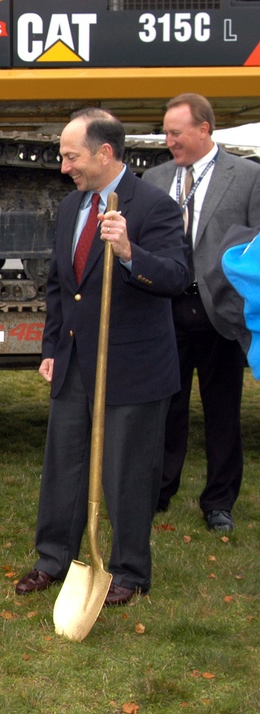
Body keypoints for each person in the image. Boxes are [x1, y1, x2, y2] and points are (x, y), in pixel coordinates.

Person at [14, 109, 189, 606]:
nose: (65, 166)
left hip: (132, 367)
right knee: (64, 465)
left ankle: (129, 571)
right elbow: (59, 286)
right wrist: (51, 347)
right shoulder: (72, 207)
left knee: (126, 471)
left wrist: (131, 253)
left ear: (104, 153)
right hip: (74, 362)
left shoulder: (152, 206)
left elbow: (176, 277)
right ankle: (53, 559)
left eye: (72, 156)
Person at [142, 93, 260, 532]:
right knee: (166, 407)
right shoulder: (155, 179)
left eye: (175, 132)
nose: (168, 140)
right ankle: (160, 490)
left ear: (204, 129)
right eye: (166, 132)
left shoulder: (247, 177)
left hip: (219, 311)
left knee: (222, 409)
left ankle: (218, 502)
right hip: (166, 309)